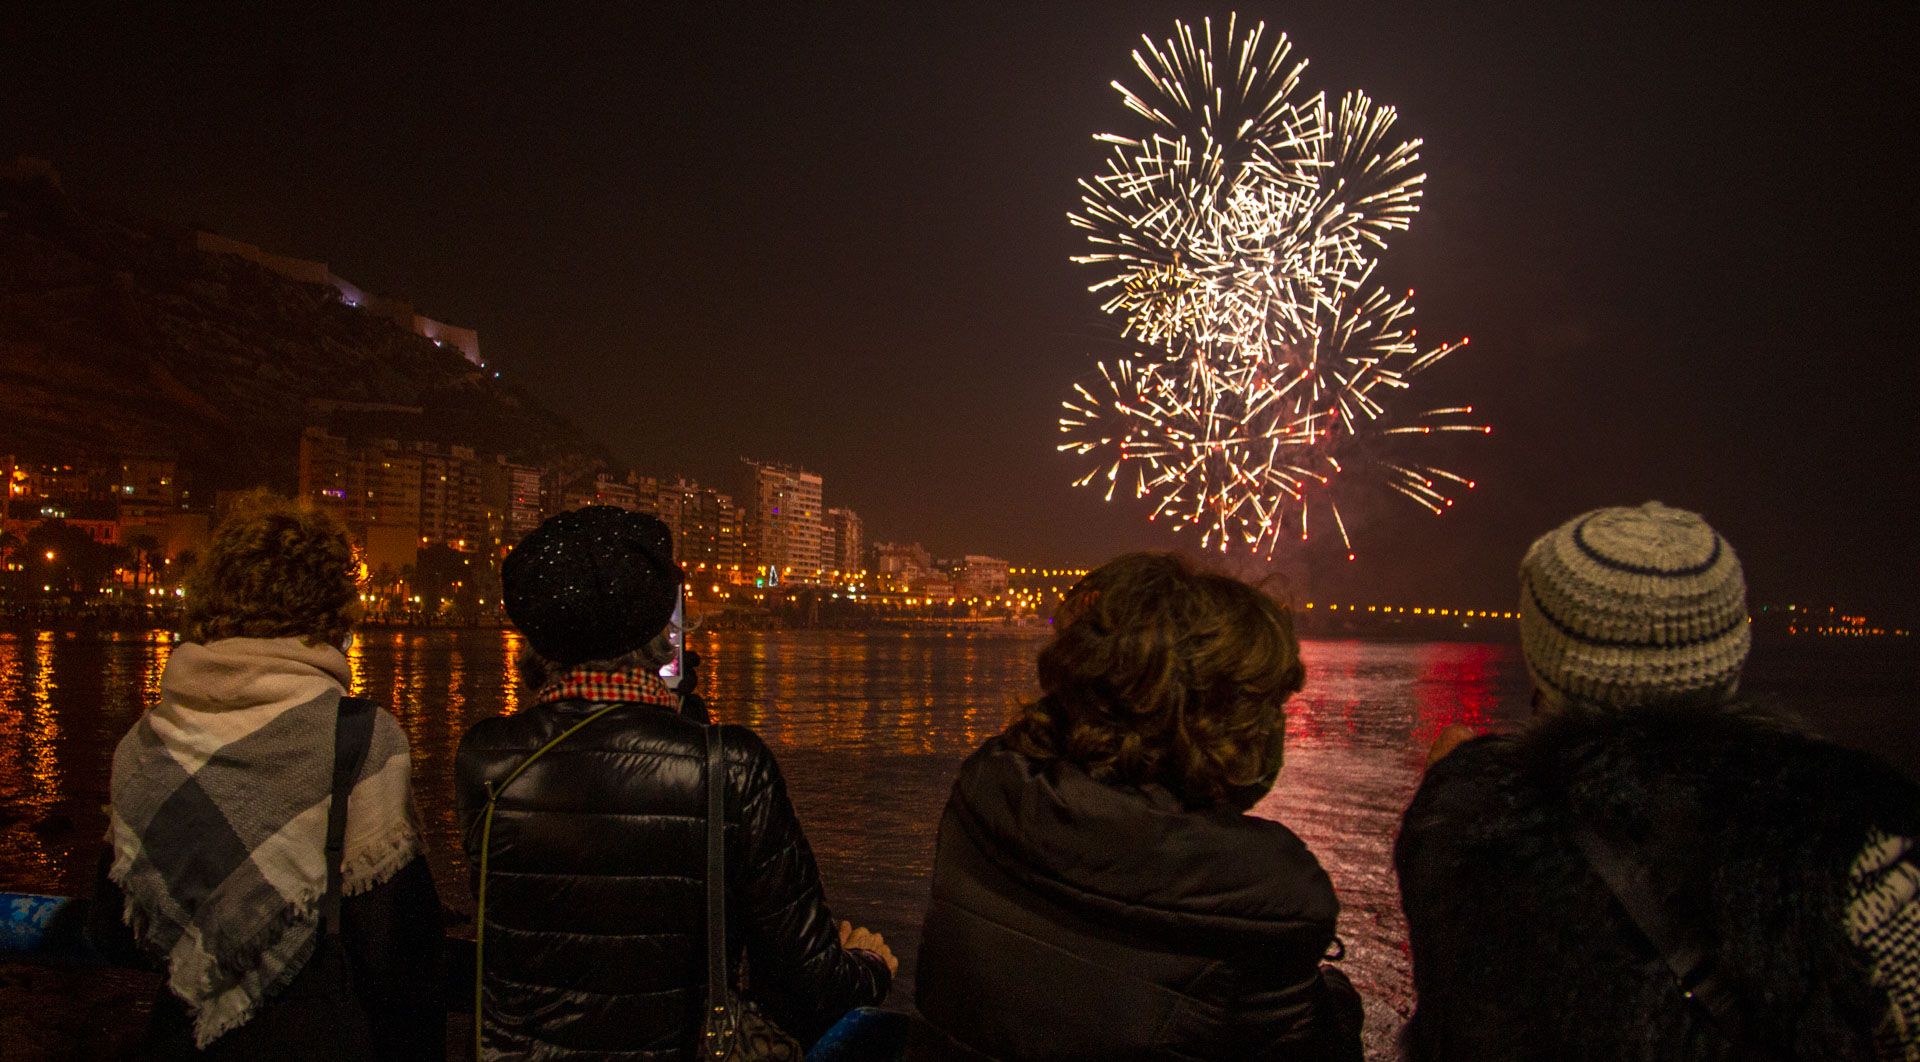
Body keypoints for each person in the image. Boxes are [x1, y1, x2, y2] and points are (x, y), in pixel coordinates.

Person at [1396, 501, 1920, 1061]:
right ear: (1730, 653)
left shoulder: (1459, 821)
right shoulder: (1846, 843)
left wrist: (1454, 776)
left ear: (1542, 658)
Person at [454, 505, 895, 1059]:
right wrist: (869, 964)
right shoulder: (729, 766)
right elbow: (812, 982)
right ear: (663, 633)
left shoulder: (485, 758)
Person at [912, 552, 1365, 1061]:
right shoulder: (1269, 893)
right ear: (1222, 721)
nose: (1274, 727)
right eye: (1264, 706)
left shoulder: (989, 790)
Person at [89, 492, 444, 1059]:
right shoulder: (360, 737)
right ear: (333, 609)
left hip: (184, 1034)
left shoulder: (146, 741)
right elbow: (394, 946)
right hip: (316, 1036)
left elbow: (115, 927)